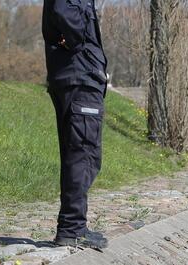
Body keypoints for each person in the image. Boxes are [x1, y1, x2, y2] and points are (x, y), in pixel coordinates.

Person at [42, 0, 109, 249]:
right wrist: (80, 42)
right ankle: (71, 229)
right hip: (79, 76)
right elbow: (62, 11)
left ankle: (73, 226)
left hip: (74, 75)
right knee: (83, 154)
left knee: (77, 155)